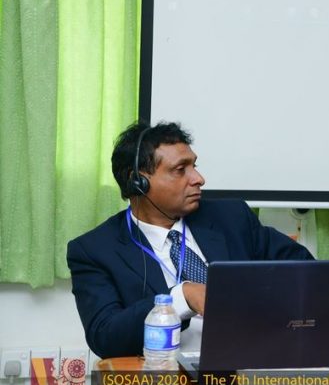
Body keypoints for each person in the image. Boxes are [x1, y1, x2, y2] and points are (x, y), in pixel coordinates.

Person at [67, 122, 314, 360]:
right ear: (138, 182)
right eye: (180, 170)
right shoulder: (94, 250)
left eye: (194, 166)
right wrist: (181, 299)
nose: (198, 178)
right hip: (168, 374)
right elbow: (104, 336)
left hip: (252, 361)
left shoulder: (232, 218)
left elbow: (307, 271)